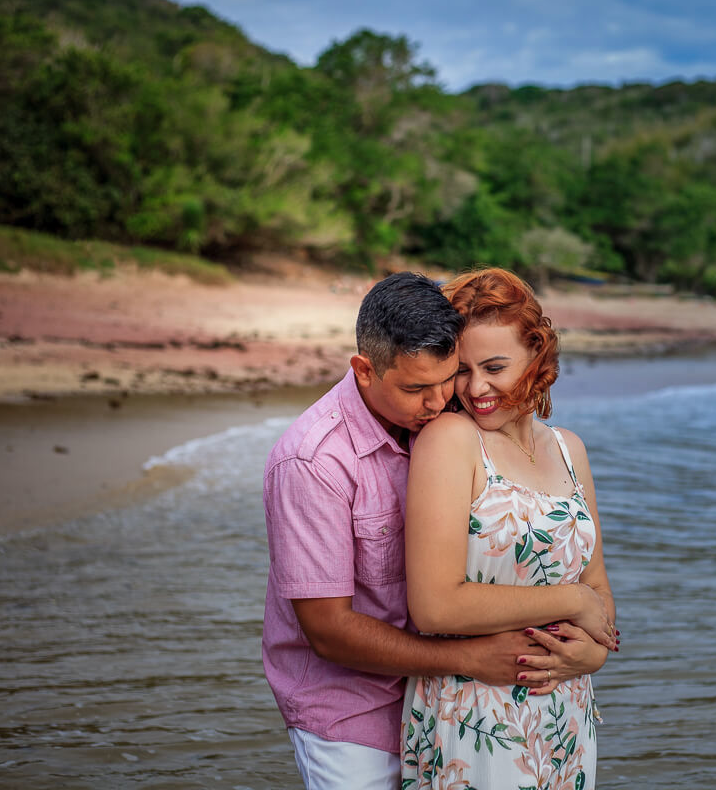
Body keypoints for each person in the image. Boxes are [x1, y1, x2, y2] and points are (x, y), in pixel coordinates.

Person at [262, 272, 616, 790]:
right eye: (417, 388)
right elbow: (331, 630)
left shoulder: (546, 443)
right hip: (356, 710)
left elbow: (596, 585)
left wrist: (594, 652)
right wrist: (468, 657)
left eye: (445, 379)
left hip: (537, 701)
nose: (450, 397)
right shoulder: (314, 461)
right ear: (365, 371)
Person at [401, 267, 618, 789]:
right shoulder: (451, 440)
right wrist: (571, 603)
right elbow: (435, 605)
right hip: (477, 714)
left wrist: (592, 657)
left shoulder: (569, 449)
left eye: (495, 366)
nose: (477, 388)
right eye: (462, 370)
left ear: (537, 354)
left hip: (566, 710)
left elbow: (598, 590)